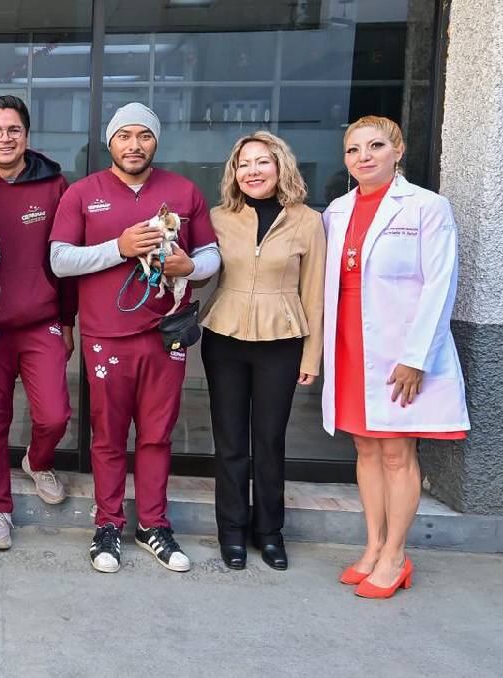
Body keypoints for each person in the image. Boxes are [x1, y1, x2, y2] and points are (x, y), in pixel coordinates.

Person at [49, 102, 218, 574]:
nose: (134, 145)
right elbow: (60, 260)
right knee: (106, 436)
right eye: (124, 136)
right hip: (107, 334)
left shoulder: (182, 191)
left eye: (144, 136)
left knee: (157, 434)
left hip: (167, 336)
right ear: (110, 142)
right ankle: (107, 523)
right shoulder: (84, 193)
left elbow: (211, 254)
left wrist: (193, 268)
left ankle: (153, 525)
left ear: (155, 142)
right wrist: (118, 248)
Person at [321, 115, 468, 599]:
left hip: (400, 348)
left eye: (375, 145)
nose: (363, 157)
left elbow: (439, 286)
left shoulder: (428, 207)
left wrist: (417, 356)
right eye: (353, 149)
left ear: (398, 150)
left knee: (396, 451)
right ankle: (372, 545)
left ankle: (396, 555)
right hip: (350, 343)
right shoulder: (337, 211)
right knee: (364, 448)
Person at [199, 131, 325, 571]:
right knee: (231, 440)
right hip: (225, 337)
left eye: (262, 162)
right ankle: (231, 532)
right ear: (234, 172)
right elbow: (196, 271)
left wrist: (312, 356)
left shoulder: (308, 220)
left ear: (280, 167)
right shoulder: (217, 217)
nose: (252, 171)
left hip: (282, 340)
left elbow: (315, 293)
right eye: (243, 164)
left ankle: (269, 532)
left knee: (269, 441)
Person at [0, 96, 76, 550]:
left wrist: (68, 321)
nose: (4, 138)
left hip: (41, 320)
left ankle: (38, 459)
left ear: (27, 135)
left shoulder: (55, 185)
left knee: (54, 414)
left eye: (13, 130)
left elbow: (64, 261)